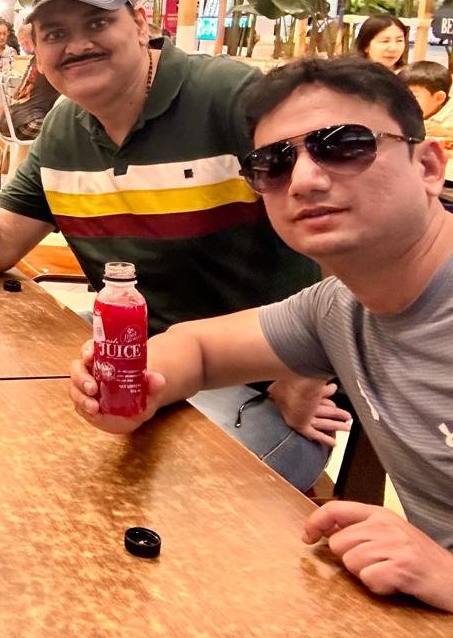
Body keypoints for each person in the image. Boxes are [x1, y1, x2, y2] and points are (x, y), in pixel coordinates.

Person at [0, 0, 329, 491]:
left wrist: (308, 362)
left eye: (97, 23)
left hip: (257, 384)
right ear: (38, 52)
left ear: (141, 24)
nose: (76, 45)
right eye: (55, 34)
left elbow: (349, 218)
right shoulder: (64, 132)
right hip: (126, 373)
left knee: (167, 510)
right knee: (21, 473)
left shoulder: (232, 98)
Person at [69, 57, 453, 612]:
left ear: (427, 165)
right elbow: (196, 348)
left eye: (343, 145)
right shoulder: (339, 307)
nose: (304, 179)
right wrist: (138, 386)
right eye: (273, 163)